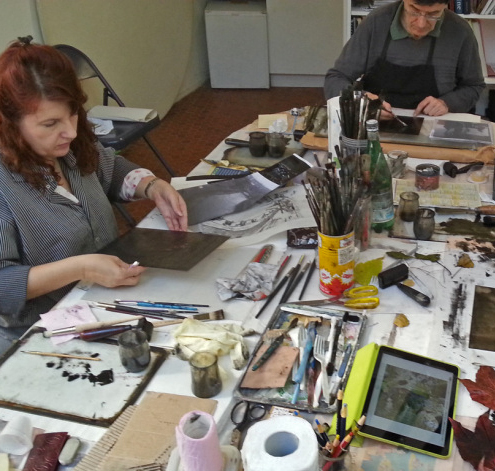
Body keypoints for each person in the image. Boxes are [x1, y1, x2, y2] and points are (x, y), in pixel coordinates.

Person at [0, 37, 188, 352]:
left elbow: (109, 170)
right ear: (10, 126)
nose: (71, 132)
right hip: (43, 333)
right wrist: (81, 268)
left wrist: (151, 185)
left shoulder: (69, 145)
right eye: (50, 123)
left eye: (73, 114)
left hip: (106, 303)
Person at [324, 0, 486, 118]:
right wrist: (361, 101)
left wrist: (447, 103)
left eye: (433, 14)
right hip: (374, 122)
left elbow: (473, 86)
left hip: (435, 126)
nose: (421, 24)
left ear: (445, 6)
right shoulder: (376, 22)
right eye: (414, 10)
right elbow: (336, 78)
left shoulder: (460, 31)